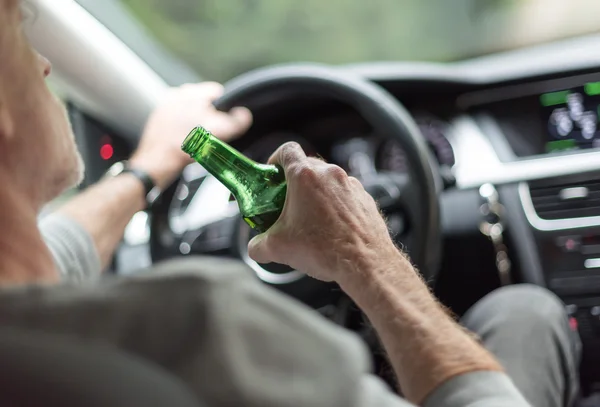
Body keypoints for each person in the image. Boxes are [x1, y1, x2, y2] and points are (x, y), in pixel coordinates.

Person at [0, 0, 580, 406]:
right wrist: (365, 253)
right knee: (525, 312)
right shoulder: (205, 333)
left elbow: (60, 251)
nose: (46, 66)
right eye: (21, 29)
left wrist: (148, 168)